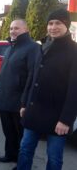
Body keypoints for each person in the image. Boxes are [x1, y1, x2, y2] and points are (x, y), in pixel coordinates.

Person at [16, 9, 77, 170]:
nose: (53, 27)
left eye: (58, 23)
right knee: (25, 150)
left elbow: (74, 89)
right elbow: (32, 77)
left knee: (54, 158)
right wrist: (24, 103)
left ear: (67, 25)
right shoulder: (42, 46)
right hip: (34, 111)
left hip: (58, 118)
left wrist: (66, 120)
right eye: (50, 23)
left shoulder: (74, 51)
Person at [0, 19, 39, 164]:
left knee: (21, 134)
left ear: (26, 30)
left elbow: (33, 76)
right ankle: (10, 155)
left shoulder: (32, 48)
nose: (13, 31)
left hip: (19, 101)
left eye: (17, 28)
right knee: (8, 131)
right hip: (4, 99)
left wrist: (25, 102)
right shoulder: (10, 48)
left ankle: (22, 162)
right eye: (11, 28)